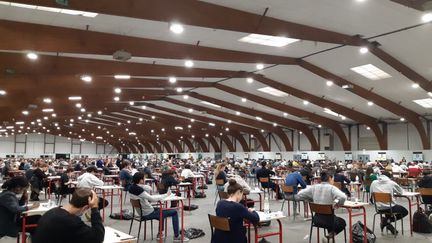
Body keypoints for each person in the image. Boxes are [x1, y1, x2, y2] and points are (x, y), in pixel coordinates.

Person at [129, 172, 189, 242]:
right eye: (144, 178)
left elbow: (150, 197)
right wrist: (166, 195)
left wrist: (162, 196)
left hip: (142, 211)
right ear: (140, 180)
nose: (145, 179)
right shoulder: (139, 189)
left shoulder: (132, 187)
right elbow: (152, 199)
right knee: (174, 212)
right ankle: (176, 236)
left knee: (161, 210)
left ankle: (160, 233)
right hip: (147, 213)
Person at [32, 189, 104, 243]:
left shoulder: (53, 211)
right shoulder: (70, 221)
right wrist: (94, 208)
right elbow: (98, 238)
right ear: (85, 208)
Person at [296, 171, 347, 241]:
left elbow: (299, 194)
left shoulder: (314, 187)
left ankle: (329, 238)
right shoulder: (332, 188)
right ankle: (329, 237)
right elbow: (343, 197)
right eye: (333, 179)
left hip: (316, 220)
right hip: (330, 221)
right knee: (342, 222)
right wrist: (339, 204)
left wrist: (310, 199)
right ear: (330, 178)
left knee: (332, 219)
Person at [0, 177, 40, 242]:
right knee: (38, 221)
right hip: (9, 225)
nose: (24, 191)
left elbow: (16, 206)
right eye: (24, 189)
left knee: (38, 218)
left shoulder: (8, 194)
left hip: (12, 221)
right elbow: (16, 209)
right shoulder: (7, 196)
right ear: (18, 187)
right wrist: (32, 206)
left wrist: (23, 197)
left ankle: (33, 239)